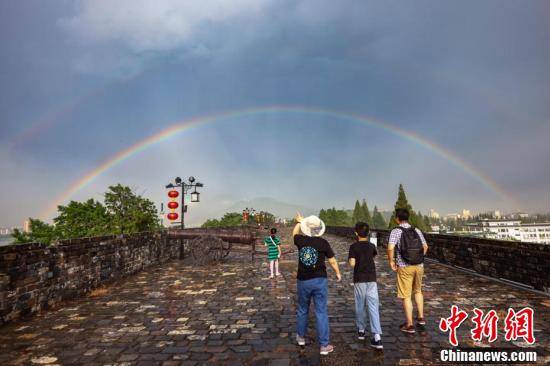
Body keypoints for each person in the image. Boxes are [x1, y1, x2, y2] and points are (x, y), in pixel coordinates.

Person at [293, 214, 341, 355]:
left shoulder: (300, 241)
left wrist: (300, 222)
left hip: (303, 280)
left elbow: (294, 233)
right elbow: (332, 261)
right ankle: (324, 345)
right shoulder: (323, 243)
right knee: (321, 312)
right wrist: (338, 273)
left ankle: (301, 337)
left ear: (306, 228)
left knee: (302, 309)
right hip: (320, 280)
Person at [386, 208, 429, 333]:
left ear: (397, 218)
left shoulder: (396, 231)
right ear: (408, 217)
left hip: (404, 266)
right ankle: (421, 318)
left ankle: (409, 325)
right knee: (418, 291)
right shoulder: (416, 230)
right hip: (419, 266)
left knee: (406, 295)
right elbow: (425, 247)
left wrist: (392, 262)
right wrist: (419, 258)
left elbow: (390, 248)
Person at [348, 222, 383, 349]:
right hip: (371, 279)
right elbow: (373, 256)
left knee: (360, 305)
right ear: (368, 233)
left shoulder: (353, 247)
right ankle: (377, 337)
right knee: (373, 307)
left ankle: (361, 330)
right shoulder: (372, 246)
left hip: (359, 279)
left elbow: (352, 263)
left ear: (356, 233)